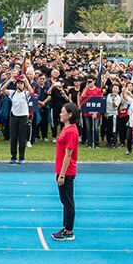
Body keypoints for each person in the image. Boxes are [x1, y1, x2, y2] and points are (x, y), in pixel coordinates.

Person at [52, 102, 80, 241]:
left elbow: (68, 155)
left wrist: (62, 175)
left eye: (63, 112)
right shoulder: (65, 128)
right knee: (65, 200)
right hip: (62, 170)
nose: (60, 114)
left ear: (69, 115)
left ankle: (69, 231)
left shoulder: (71, 132)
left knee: (68, 201)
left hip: (67, 172)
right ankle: (65, 227)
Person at [8, 77, 30, 164]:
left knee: (22, 138)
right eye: (18, 83)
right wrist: (10, 80)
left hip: (23, 117)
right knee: (13, 138)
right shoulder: (12, 93)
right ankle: (13, 157)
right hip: (14, 117)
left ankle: (21, 157)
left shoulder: (26, 93)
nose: (19, 84)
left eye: (21, 83)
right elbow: (2, 89)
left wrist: (26, 81)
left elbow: (32, 92)